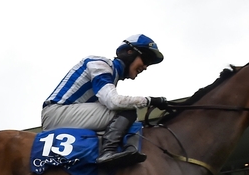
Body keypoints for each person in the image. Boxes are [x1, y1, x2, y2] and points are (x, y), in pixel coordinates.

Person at [41, 34, 167, 166]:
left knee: (125, 117)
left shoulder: (111, 75)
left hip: (64, 114)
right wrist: (150, 101)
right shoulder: (100, 64)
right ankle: (108, 152)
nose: (146, 66)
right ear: (130, 52)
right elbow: (115, 102)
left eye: (149, 63)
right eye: (145, 59)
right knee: (127, 111)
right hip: (56, 113)